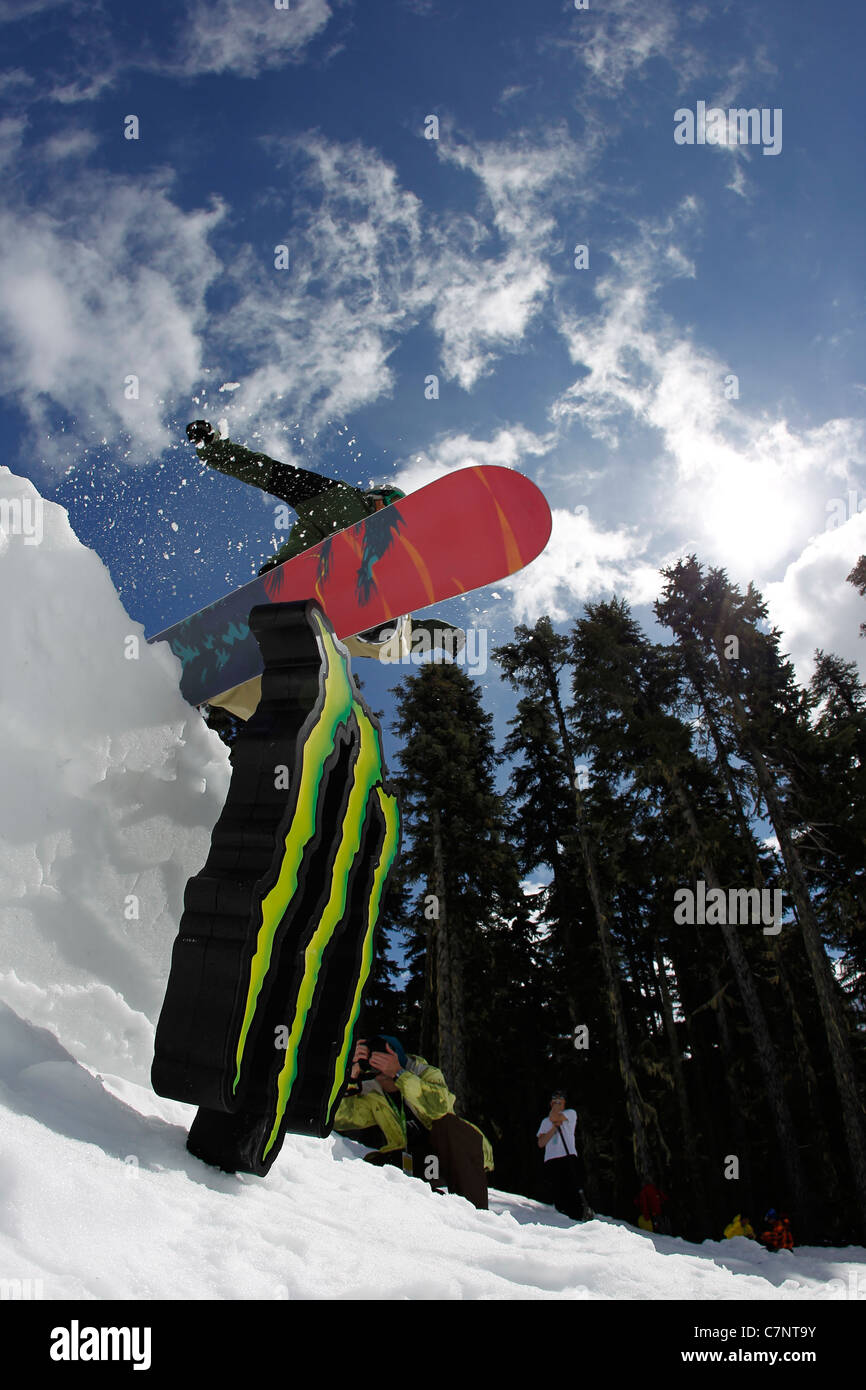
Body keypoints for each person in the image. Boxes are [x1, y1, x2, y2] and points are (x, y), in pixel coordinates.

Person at [185, 421, 463, 716]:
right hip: (303, 583)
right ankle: (215, 685)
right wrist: (214, 447)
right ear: (375, 496)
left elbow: (408, 631)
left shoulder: (395, 555)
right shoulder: (338, 497)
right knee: (262, 654)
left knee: (389, 646)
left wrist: (440, 634)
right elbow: (270, 472)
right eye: (394, 503)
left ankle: (235, 696)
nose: (395, 516)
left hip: (339, 624)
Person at [334, 1033, 493, 1210]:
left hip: (450, 1151)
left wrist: (399, 1074)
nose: (381, 1075)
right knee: (376, 1164)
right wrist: (351, 1079)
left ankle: (476, 1215)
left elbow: (439, 1107)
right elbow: (340, 1118)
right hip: (413, 1156)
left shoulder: (424, 1072)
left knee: (447, 1124)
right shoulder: (373, 1092)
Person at [537, 1091, 592, 1221]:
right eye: (554, 1102)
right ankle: (562, 1218)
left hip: (568, 1156)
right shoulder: (545, 1122)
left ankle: (579, 1216)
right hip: (551, 1159)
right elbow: (541, 1142)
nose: (557, 1105)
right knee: (558, 1190)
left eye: (560, 1102)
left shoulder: (570, 1114)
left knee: (572, 1188)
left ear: (564, 1104)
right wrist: (553, 1129)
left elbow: (555, 1117)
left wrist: (555, 1120)